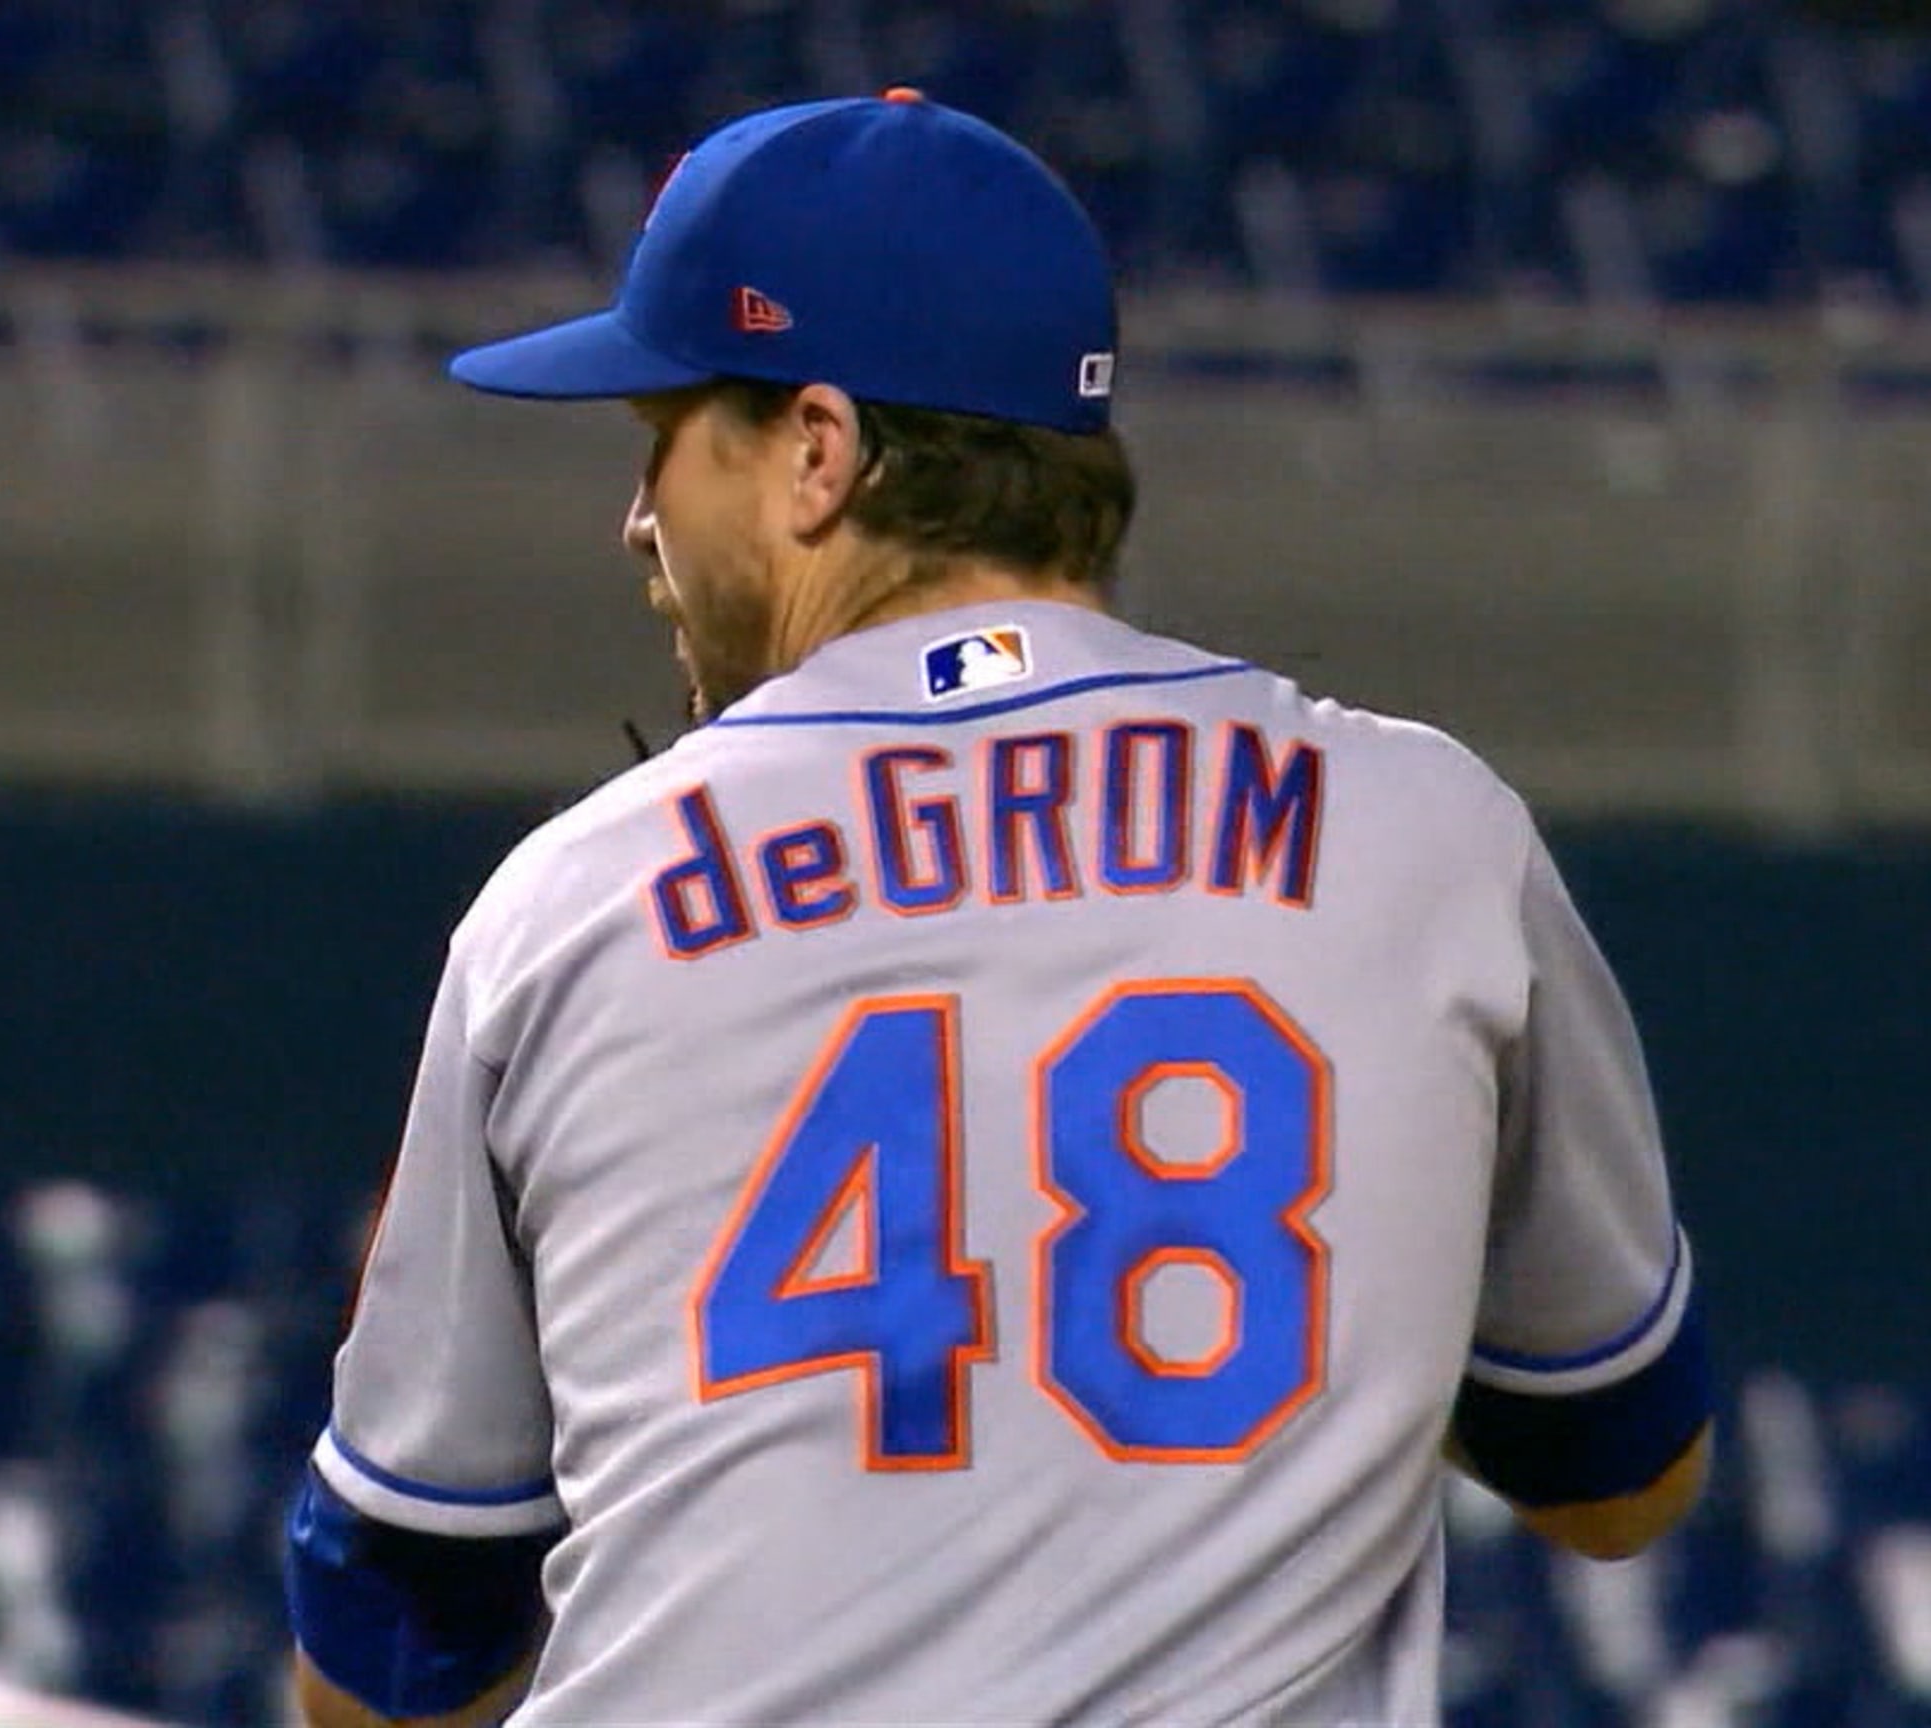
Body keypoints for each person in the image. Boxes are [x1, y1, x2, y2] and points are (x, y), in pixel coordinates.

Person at [282, 89, 1713, 1728]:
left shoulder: (576, 902)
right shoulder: (1428, 838)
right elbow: (1619, 1480)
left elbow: (389, 1657)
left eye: (661, 438)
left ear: (817, 451)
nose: (639, 524)